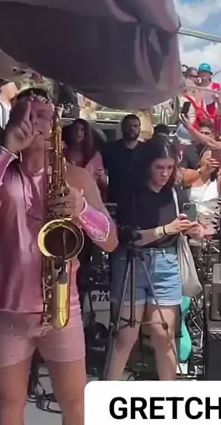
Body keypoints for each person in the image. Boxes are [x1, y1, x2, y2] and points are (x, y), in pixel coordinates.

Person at [0, 88, 117, 425]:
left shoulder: (75, 175)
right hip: (5, 309)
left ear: (56, 126)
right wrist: (4, 150)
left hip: (61, 307)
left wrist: (82, 211)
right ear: (13, 117)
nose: (36, 121)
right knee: (9, 403)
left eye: (44, 115)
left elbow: (110, 239)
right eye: (27, 113)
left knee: (75, 402)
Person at [107, 138, 203, 381]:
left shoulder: (175, 193)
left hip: (166, 263)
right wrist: (166, 229)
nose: (164, 173)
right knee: (126, 336)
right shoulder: (131, 192)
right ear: (147, 164)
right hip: (132, 263)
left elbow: (187, 227)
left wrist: (195, 231)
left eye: (169, 167)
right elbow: (128, 236)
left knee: (165, 334)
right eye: (159, 167)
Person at [102, 114, 142, 206]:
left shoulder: (147, 150)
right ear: (122, 127)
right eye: (129, 125)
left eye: (135, 126)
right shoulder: (110, 149)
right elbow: (100, 171)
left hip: (140, 201)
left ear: (139, 128)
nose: (132, 128)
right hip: (115, 200)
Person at [63, 118, 107, 197]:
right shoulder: (63, 152)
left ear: (86, 133)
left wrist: (101, 176)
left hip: (89, 196)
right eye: (75, 129)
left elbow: (103, 183)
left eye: (82, 130)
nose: (78, 132)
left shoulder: (94, 155)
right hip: (68, 195)